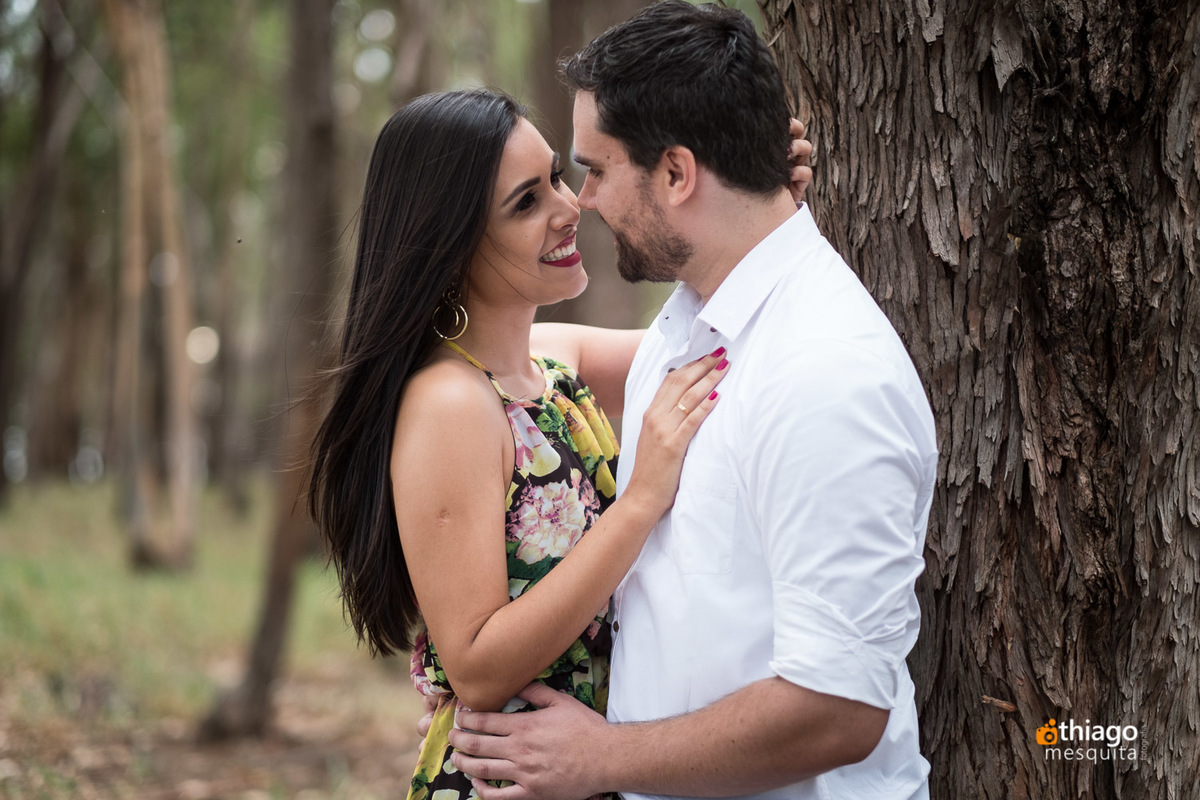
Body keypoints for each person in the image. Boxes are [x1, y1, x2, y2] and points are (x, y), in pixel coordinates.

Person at [443, 3, 939, 800]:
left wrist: (596, 758)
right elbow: (516, 363)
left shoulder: (827, 378)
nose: (585, 201)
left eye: (596, 170)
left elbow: (840, 711)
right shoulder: (692, 322)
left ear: (676, 174)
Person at [307, 88, 809, 800]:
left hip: (590, 764)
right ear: (451, 249)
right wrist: (639, 505)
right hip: (511, 779)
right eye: (525, 202)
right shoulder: (451, 404)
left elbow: (724, 341)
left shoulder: (547, 364)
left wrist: (755, 206)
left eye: (556, 177)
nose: (569, 207)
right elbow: (477, 664)